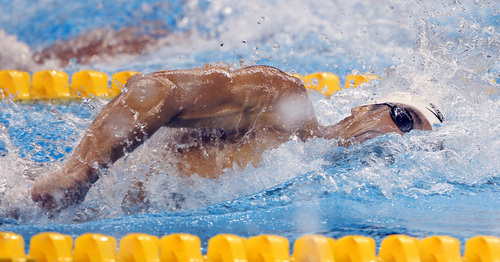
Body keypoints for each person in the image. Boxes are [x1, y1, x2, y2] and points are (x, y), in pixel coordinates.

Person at [31, 64, 443, 211]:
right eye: (404, 120)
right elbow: (157, 90)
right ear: (362, 109)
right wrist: (81, 173)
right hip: (50, 204)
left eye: (417, 138)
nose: (399, 139)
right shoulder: (280, 99)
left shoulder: (315, 183)